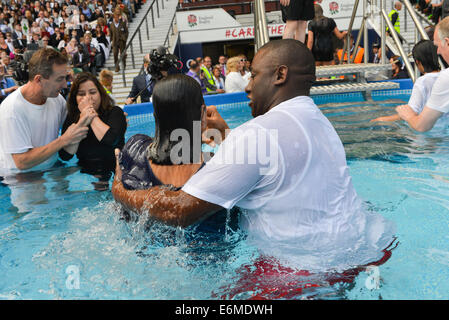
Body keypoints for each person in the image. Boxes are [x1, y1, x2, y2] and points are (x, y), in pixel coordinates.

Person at [112, 39, 395, 274]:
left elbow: (179, 210)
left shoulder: (258, 133)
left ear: (280, 75)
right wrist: (225, 133)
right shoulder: (316, 120)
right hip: (364, 250)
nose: (248, 85)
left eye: (255, 75)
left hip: (301, 273)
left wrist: (120, 191)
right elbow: (270, 161)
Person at [115, 74, 206, 194]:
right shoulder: (215, 168)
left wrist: (118, 159)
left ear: (155, 115)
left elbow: (118, 188)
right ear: (203, 112)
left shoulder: (135, 147)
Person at [0, 48, 89, 172]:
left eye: (65, 78)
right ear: (38, 80)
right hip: (21, 177)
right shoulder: (12, 110)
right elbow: (21, 161)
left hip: (51, 168)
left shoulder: (56, 99)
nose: (64, 85)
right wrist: (63, 140)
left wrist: (108, 115)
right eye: (59, 79)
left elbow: (74, 123)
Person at [59, 72, 127, 180]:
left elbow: (110, 139)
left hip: (117, 169)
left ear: (100, 93)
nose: (88, 98)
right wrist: (82, 122)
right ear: (74, 98)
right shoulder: (72, 118)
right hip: (86, 172)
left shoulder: (115, 112)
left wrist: (90, 114)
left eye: (92, 92)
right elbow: (65, 155)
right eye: (81, 94)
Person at [396, 17, 449, 131]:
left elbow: (421, 126)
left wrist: (408, 115)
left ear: (447, 42)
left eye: (438, 46)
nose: (438, 51)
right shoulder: (443, 75)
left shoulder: (445, 77)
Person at [371, 40, 440, 122]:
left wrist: (381, 119)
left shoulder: (422, 82)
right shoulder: (445, 76)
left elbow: (411, 113)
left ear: (417, 62)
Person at [109, 8, 128, 72]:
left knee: (122, 54)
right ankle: (117, 67)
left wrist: (124, 38)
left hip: (121, 41)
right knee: (115, 54)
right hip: (115, 42)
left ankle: (124, 65)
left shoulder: (123, 23)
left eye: (118, 16)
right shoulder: (111, 25)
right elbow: (111, 34)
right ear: (114, 17)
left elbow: (126, 32)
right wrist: (111, 40)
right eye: (115, 16)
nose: (117, 17)